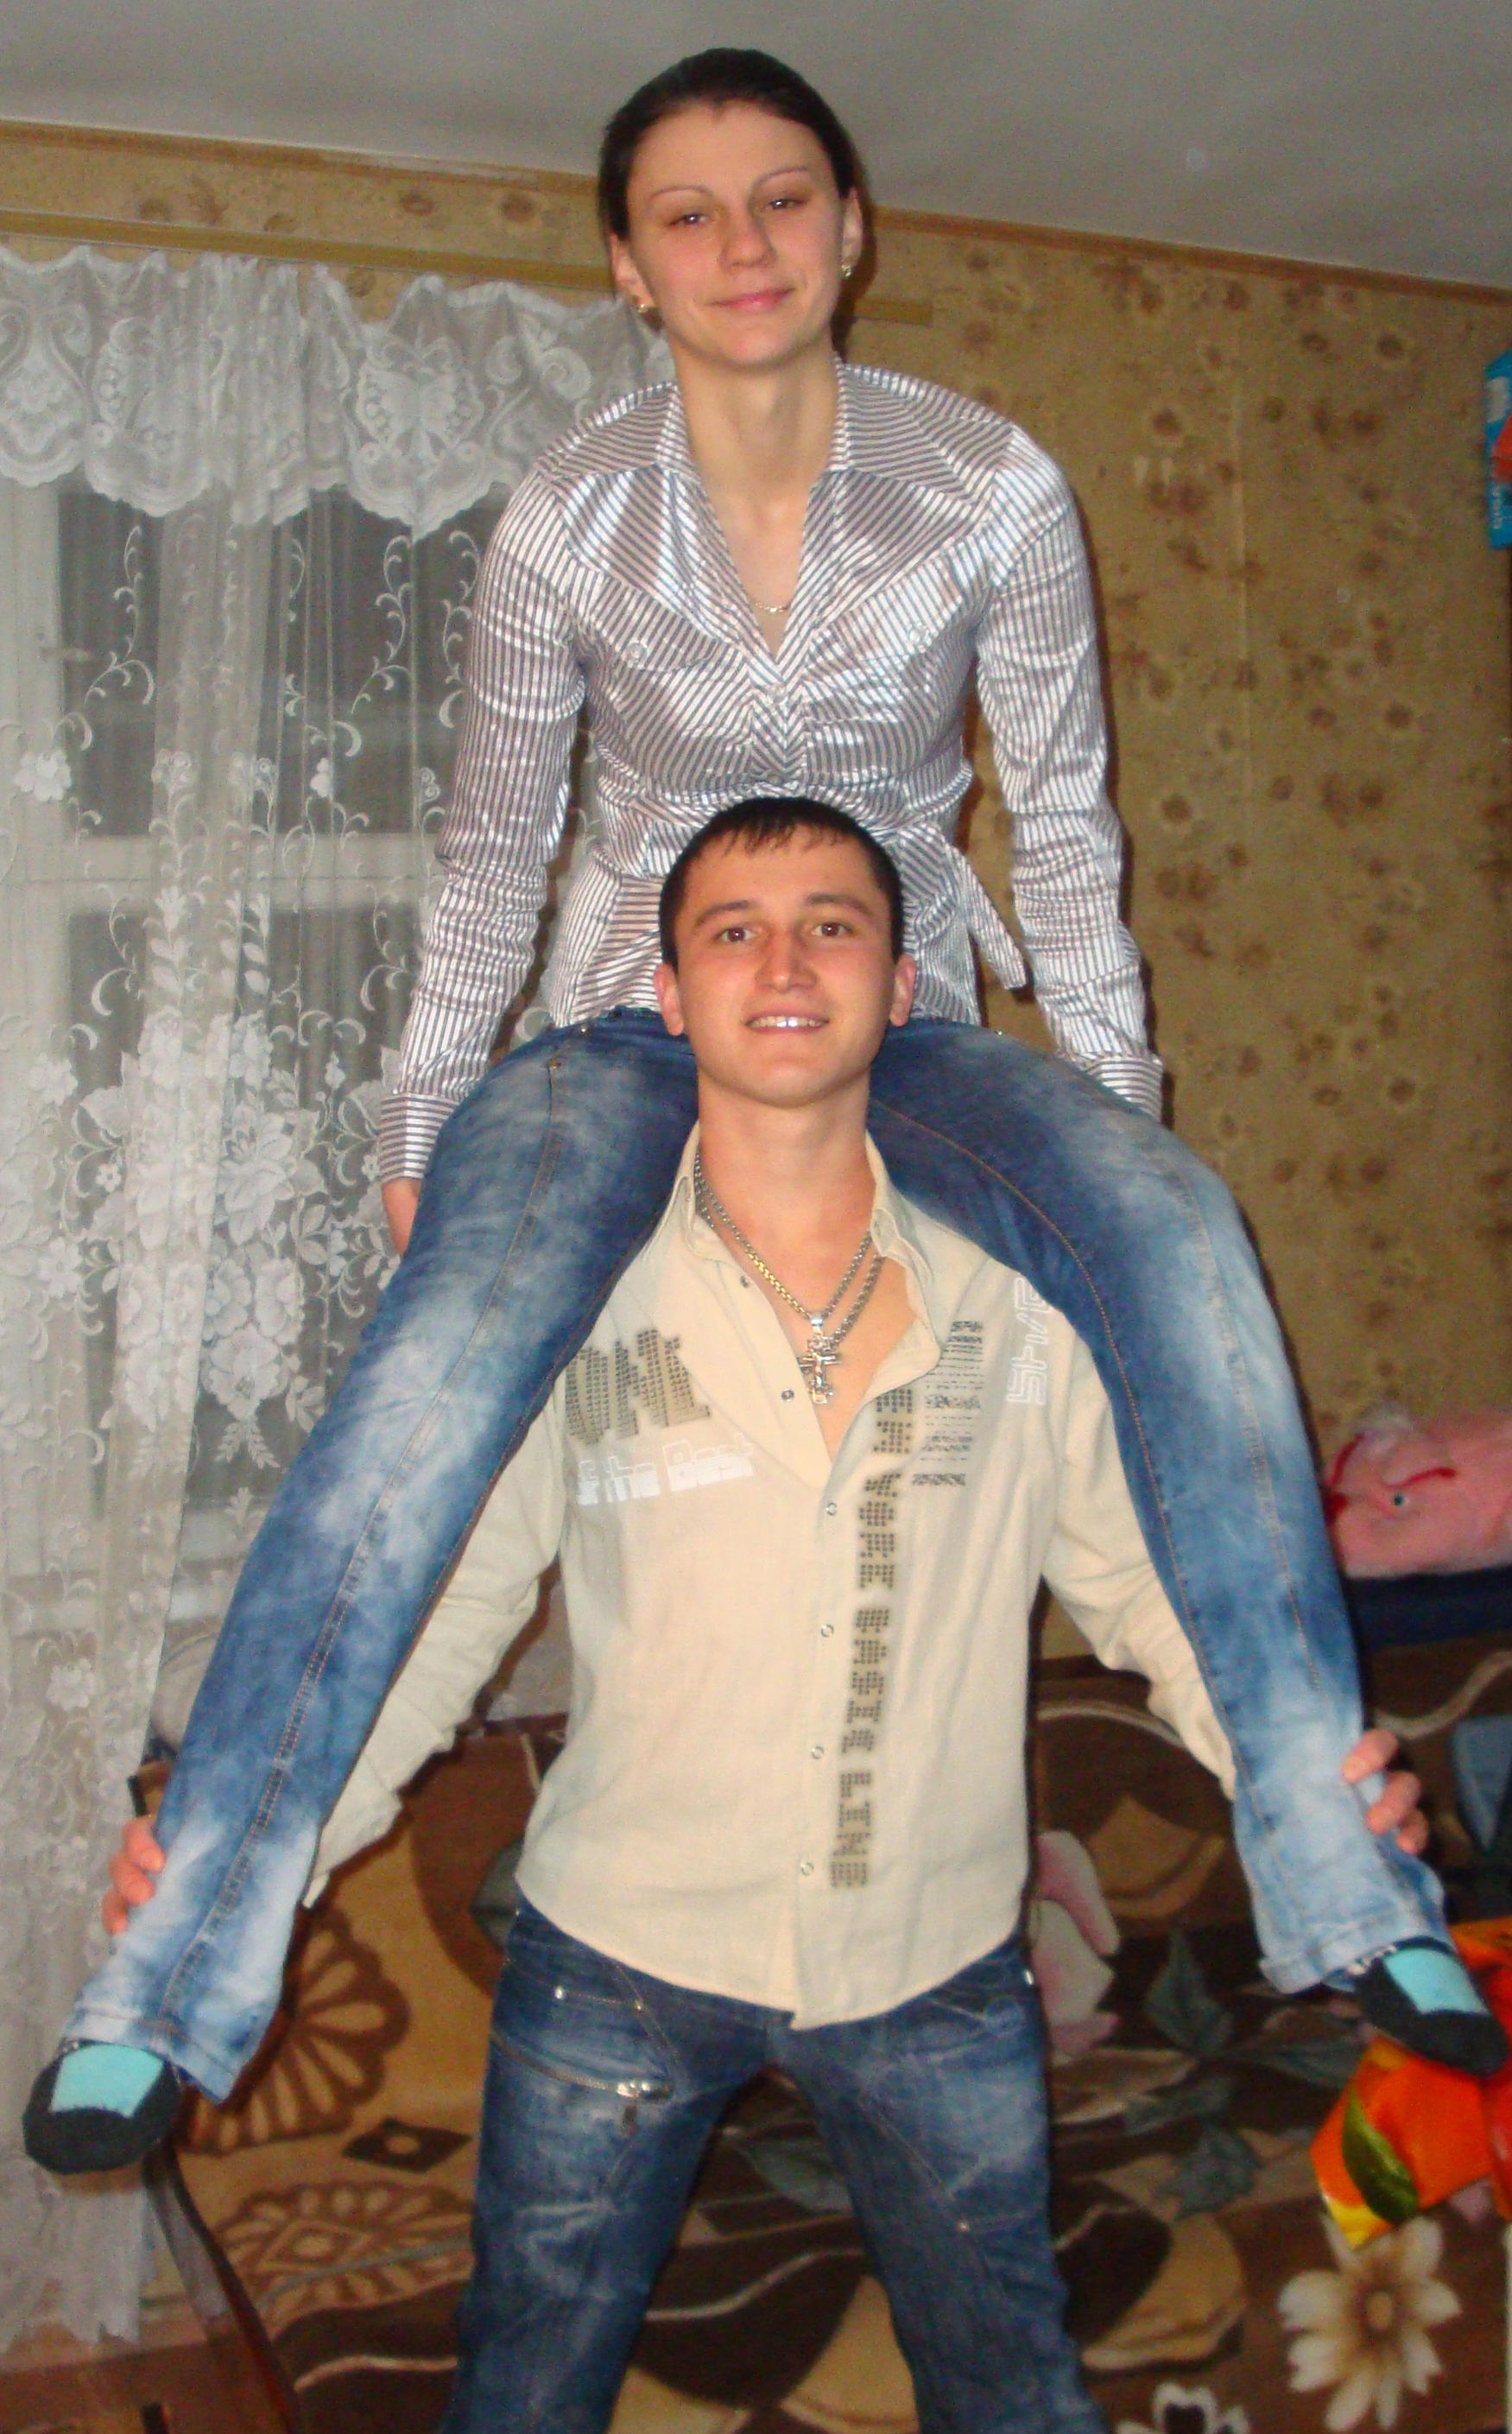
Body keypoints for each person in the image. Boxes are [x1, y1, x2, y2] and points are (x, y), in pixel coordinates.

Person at [25, 51, 1499, 2177]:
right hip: (630, 1024)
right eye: (690, 213)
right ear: (629, 266)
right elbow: (492, 849)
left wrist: (1120, 1135)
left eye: (784, 197)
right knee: (436, 1364)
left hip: (903, 1016)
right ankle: (175, 1974)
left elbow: (1067, 826)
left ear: (852, 227)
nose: (744, 245)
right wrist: (427, 1117)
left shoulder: (992, 484)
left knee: (1181, 1228)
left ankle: (1342, 1868)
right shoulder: (567, 517)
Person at [92, 802, 1357, 2434]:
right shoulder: (569, 1293)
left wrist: (1314, 1778)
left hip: (929, 1967)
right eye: (736, 930)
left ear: (902, 986)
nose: (784, 963)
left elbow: (1147, 1584)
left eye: (832, 924)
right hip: (619, 1959)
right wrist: (249, 1850)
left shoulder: (1020, 1296)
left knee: (1028, 2426)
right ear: (666, 994)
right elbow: (432, 1613)